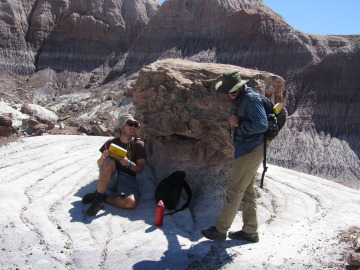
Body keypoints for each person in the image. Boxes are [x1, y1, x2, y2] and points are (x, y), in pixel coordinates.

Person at [200, 70, 268, 242]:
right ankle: (250, 231)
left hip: (250, 150)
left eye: (232, 90)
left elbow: (262, 125)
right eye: (227, 91)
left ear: (240, 87)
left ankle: (220, 229)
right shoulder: (240, 97)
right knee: (247, 191)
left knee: (234, 189)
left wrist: (240, 124)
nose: (230, 94)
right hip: (247, 149)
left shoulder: (250, 99)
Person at [82, 113, 147, 216]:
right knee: (108, 162)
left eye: (135, 125)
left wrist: (129, 163)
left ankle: (101, 196)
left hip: (128, 179)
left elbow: (140, 169)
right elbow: (99, 165)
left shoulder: (139, 145)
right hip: (112, 177)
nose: (133, 127)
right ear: (121, 127)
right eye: (130, 124)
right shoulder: (111, 142)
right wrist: (103, 157)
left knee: (131, 203)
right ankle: (98, 202)